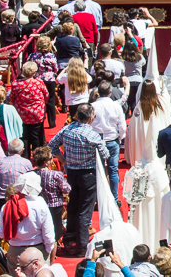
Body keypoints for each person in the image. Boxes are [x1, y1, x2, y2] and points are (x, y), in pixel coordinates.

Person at [48, 103, 107, 256]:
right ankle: (81, 248)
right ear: (91, 117)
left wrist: (62, 159)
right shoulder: (92, 135)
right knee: (84, 211)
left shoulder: (67, 130)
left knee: (73, 206)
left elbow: (52, 144)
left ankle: (70, 240)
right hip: (88, 175)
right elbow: (105, 155)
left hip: (72, 174)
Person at [0, 172, 55, 267]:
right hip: (38, 251)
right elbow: (48, 234)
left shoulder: (7, 206)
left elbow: (1, 234)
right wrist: (47, 251)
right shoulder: (41, 205)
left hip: (15, 252)